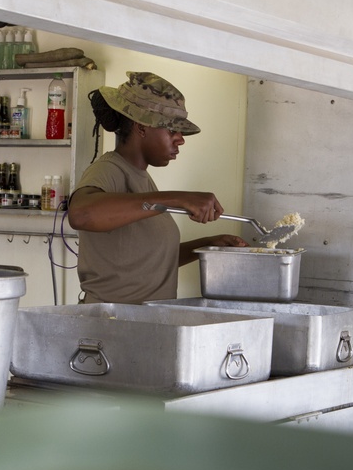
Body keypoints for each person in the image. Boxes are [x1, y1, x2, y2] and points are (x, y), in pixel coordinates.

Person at [67, 71, 248, 304]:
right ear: (141, 126)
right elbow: (81, 214)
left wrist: (210, 244)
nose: (180, 139)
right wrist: (177, 198)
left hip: (145, 323)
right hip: (112, 325)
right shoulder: (108, 170)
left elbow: (151, 261)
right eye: (172, 130)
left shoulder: (142, 178)